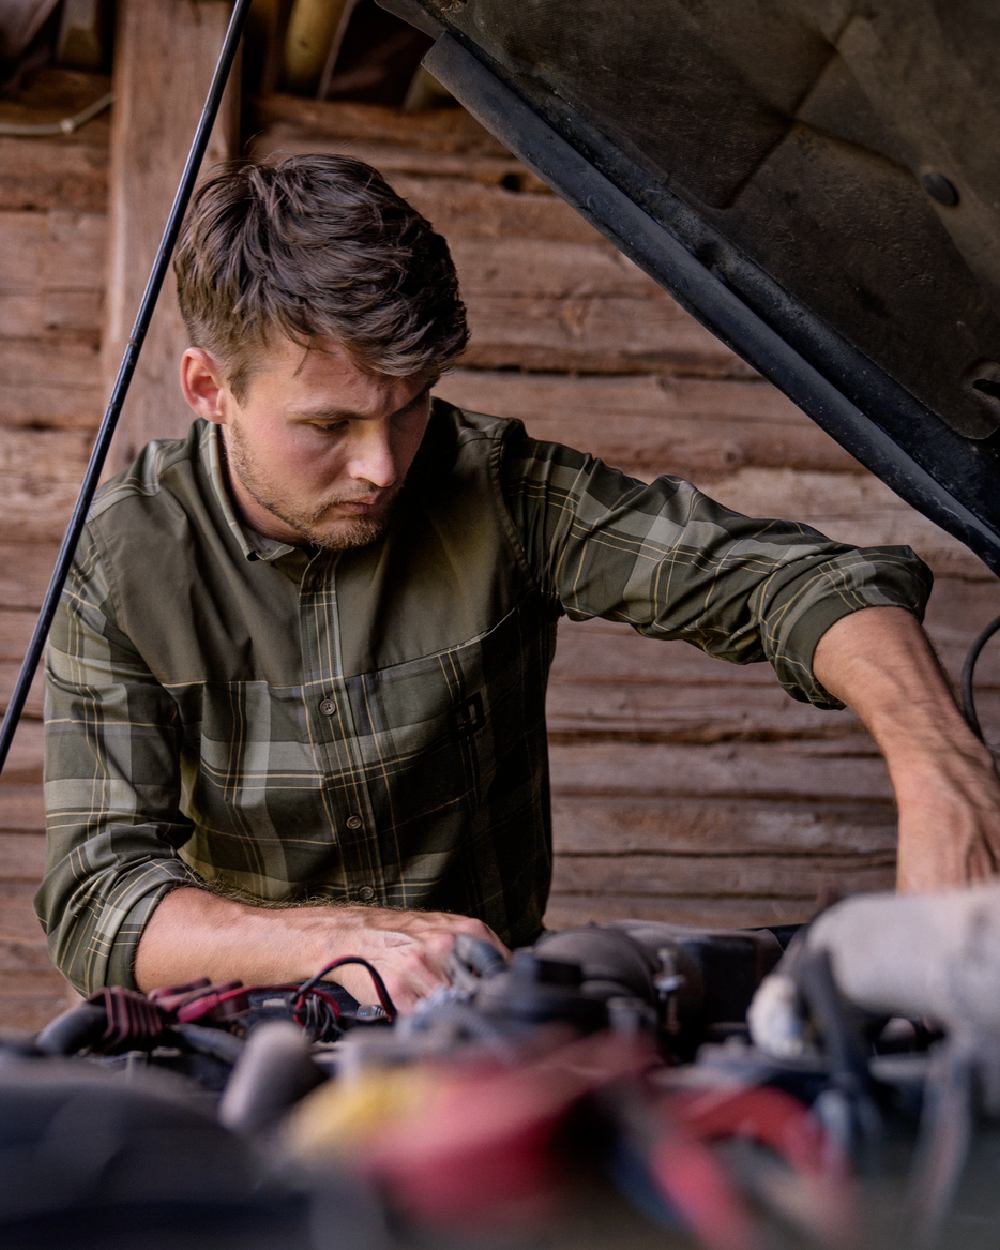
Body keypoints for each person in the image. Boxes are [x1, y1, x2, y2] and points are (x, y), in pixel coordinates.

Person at [36, 155, 1000, 1010]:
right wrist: (335, 945)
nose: (383, 466)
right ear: (209, 389)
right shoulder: (122, 560)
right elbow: (96, 901)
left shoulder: (495, 485)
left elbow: (795, 582)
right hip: (248, 1039)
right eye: (330, 427)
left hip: (490, 1023)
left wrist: (943, 777)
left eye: (410, 409)